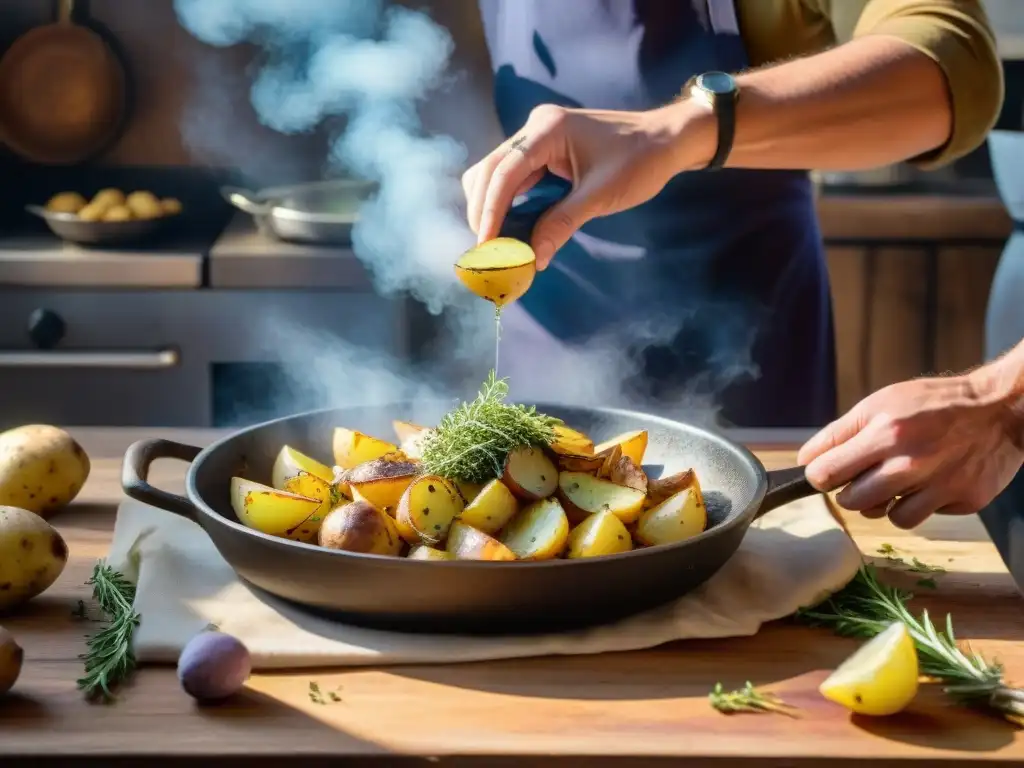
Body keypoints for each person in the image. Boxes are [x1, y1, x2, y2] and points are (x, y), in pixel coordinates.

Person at [461, 0, 1003, 428]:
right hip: (548, 319)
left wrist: (676, 134)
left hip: (742, 333)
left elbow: (955, 69)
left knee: (746, 549)